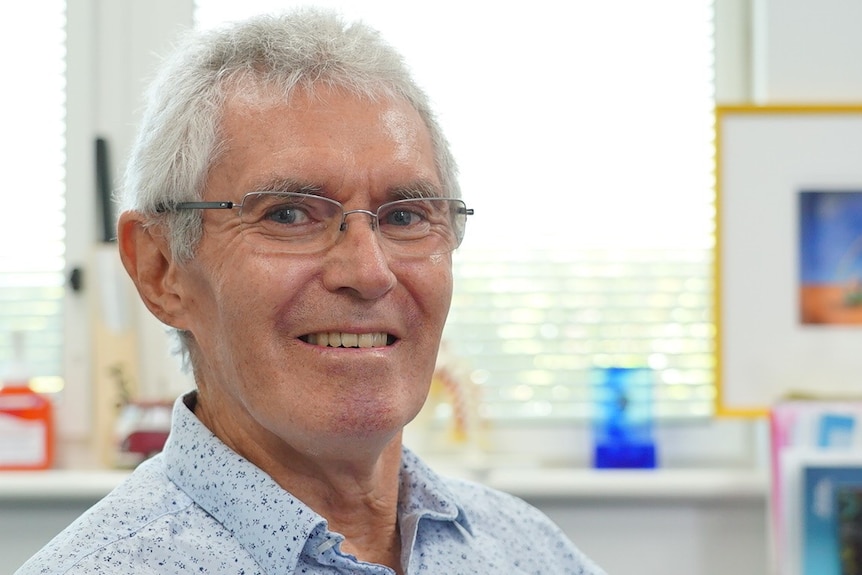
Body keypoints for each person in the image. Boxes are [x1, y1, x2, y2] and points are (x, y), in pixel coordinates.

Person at [18, 8, 606, 575]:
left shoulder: (527, 550)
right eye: (290, 214)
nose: (370, 271)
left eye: (404, 217)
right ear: (161, 269)